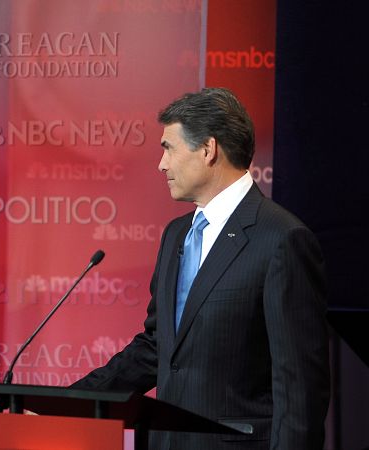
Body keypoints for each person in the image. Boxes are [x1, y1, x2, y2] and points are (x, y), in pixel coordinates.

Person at [71, 88, 330, 449]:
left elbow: (299, 386)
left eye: (169, 148)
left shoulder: (281, 239)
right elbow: (157, 348)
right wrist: (70, 403)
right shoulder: (176, 234)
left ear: (208, 149)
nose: (161, 164)